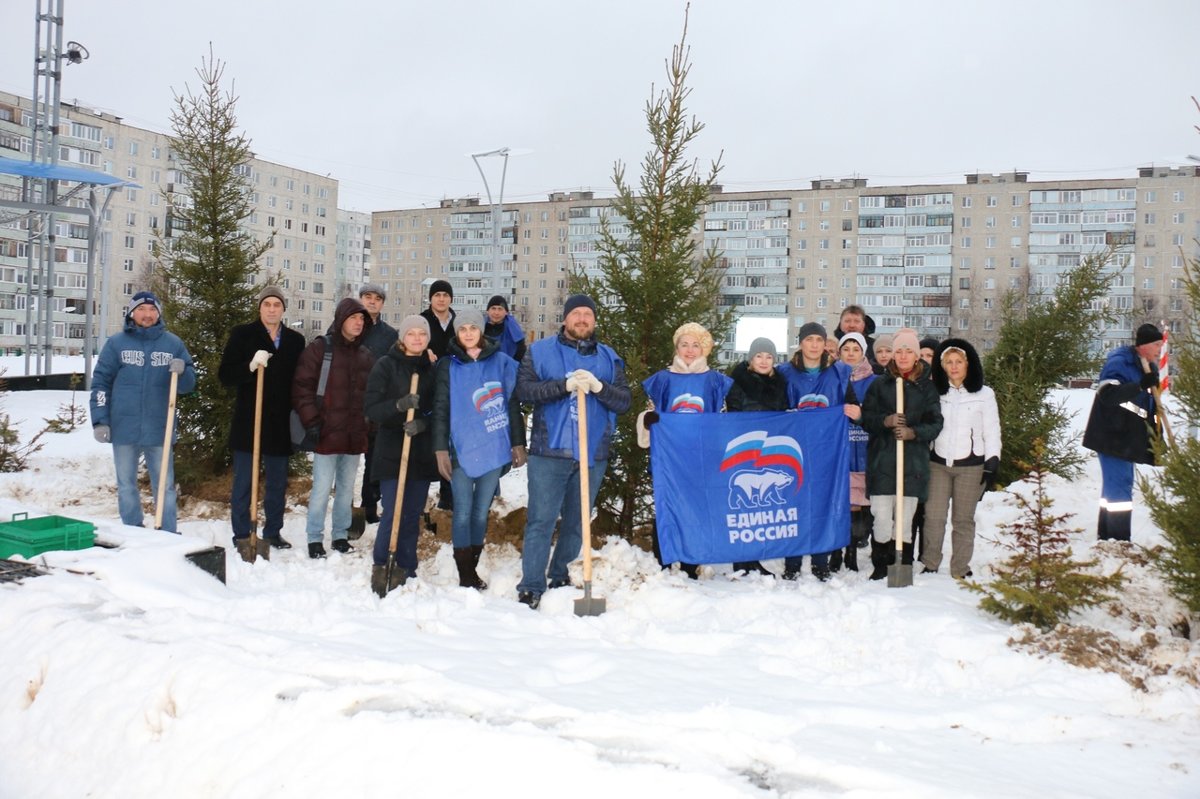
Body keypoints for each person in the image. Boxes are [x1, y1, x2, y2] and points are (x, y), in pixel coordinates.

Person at [514, 294, 631, 609]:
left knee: (578, 522)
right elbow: (523, 391)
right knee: (541, 519)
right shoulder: (538, 352)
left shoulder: (609, 358)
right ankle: (531, 585)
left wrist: (599, 388)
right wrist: (560, 387)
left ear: (594, 320)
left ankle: (559, 574)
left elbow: (624, 401)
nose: (582, 318)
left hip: (593, 452)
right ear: (565, 319)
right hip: (549, 451)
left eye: (587, 314)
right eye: (576, 313)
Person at [431, 307, 527, 590]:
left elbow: (512, 403)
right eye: (463, 329)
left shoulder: (500, 362)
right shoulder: (448, 366)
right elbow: (440, 409)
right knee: (462, 511)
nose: (469, 333)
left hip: (493, 447)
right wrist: (440, 449)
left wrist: (518, 442)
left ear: (481, 331)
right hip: (460, 449)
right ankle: (465, 574)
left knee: (480, 511)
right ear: (458, 334)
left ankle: (470, 567)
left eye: (473, 328)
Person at [90, 291, 196, 533]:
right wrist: (100, 421)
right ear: (132, 312)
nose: (147, 314)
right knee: (126, 484)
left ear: (158, 313)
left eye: (152, 310)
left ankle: (167, 532)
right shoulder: (116, 344)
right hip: (123, 427)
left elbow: (189, 386)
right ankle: (132, 531)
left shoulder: (173, 344)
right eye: (141, 309)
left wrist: (183, 372)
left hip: (160, 427)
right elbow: (100, 384)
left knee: (165, 485)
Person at [217, 285, 306, 562]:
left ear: (283, 309)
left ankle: (273, 531)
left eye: (276, 305)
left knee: (277, 482)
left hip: (279, 422)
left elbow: (299, 380)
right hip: (249, 420)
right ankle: (242, 531)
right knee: (245, 480)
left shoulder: (294, 340)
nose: (271, 309)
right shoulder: (243, 335)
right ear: (259, 308)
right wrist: (250, 367)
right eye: (267, 304)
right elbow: (225, 375)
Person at [638, 322, 733, 579]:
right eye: (684, 344)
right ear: (676, 347)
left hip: (700, 459)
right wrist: (647, 420)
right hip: (670, 458)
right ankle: (664, 560)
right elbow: (650, 410)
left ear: (704, 349)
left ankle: (692, 563)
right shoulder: (663, 380)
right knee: (666, 507)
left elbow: (721, 419)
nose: (689, 350)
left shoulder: (714, 381)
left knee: (697, 509)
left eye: (695, 345)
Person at [292, 297, 374, 559]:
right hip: (326, 432)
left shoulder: (365, 355)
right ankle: (314, 537)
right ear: (341, 320)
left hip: (353, 435)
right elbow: (302, 387)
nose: (359, 323)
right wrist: (312, 422)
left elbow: (371, 394)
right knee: (322, 487)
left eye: (362, 319)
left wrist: (368, 425)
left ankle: (340, 534)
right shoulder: (321, 348)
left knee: (347, 489)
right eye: (354, 318)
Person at [364, 315, 440, 595]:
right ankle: (382, 562)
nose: (417, 338)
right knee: (392, 511)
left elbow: (437, 410)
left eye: (422, 334)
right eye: (412, 334)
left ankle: (407, 564)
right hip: (391, 450)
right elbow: (371, 407)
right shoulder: (386, 365)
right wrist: (398, 405)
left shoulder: (431, 370)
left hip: (419, 451)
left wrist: (423, 423)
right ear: (402, 338)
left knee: (411, 514)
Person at [778, 322, 859, 580]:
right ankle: (792, 562)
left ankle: (820, 562)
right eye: (809, 339)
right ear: (800, 343)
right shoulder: (784, 373)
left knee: (822, 504)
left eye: (818, 340)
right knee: (794, 504)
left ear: (825, 344)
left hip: (827, 451)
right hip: (794, 451)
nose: (814, 345)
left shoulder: (839, 373)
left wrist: (857, 412)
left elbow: (853, 407)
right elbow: (773, 410)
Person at [861, 328, 943, 580]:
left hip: (912, 466)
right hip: (883, 463)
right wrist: (885, 421)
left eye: (909, 351)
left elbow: (936, 423)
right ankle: (880, 565)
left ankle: (901, 567)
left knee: (905, 522)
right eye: (899, 351)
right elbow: (866, 419)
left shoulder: (926, 388)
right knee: (882, 518)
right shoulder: (879, 384)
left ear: (917, 355)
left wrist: (913, 432)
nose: (904, 356)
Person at [922, 339, 1001, 578]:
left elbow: (992, 429)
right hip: (938, 463)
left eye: (958, 362)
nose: (954, 367)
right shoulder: (935, 391)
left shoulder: (984, 394)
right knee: (934, 517)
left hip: (971, 465)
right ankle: (931, 562)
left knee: (963, 520)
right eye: (949, 362)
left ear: (968, 364)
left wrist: (992, 460)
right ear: (943, 366)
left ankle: (960, 567)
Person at [1082, 323, 1163, 542]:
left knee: (1116, 487)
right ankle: (1119, 539)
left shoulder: (1148, 367)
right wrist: (1139, 385)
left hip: (1127, 437)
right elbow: (1108, 394)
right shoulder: (1120, 362)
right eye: (1156, 344)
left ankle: (1107, 535)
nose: (1159, 349)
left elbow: (1150, 407)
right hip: (1111, 434)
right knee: (1120, 489)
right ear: (1144, 345)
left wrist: (1157, 441)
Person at [724, 336, 789, 577]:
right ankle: (741, 560)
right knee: (744, 508)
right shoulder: (737, 382)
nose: (764, 361)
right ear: (751, 359)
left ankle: (757, 558)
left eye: (769, 356)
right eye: (759, 356)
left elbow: (784, 415)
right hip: (744, 450)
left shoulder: (780, 384)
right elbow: (732, 414)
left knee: (762, 509)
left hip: (769, 450)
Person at [356, 282, 399, 526]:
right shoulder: (348, 326)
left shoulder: (390, 335)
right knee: (347, 458)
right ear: (361, 299)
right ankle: (345, 507)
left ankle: (369, 505)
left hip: (377, 404)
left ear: (382, 303)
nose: (372, 302)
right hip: (350, 402)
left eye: (377, 298)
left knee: (375, 457)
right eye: (368, 297)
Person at [839, 332, 878, 571]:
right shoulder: (834, 377)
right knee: (847, 503)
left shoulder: (874, 381)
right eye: (846, 349)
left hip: (866, 449)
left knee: (866, 501)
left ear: (863, 352)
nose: (851, 353)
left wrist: (863, 414)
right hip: (842, 449)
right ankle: (847, 551)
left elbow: (880, 414)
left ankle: (863, 542)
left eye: (856, 348)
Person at [420, 279, 456, 511]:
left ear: (451, 298)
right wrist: (424, 352)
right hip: (427, 387)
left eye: (445, 294)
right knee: (425, 439)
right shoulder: (421, 320)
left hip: (453, 388)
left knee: (449, 440)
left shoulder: (459, 322)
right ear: (431, 298)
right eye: (437, 295)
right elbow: (408, 345)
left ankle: (448, 492)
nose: (441, 298)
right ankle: (420, 492)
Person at [484, 294, 527, 364]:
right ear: (487, 311)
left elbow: (521, 347)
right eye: (493, 308)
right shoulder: (481, 325)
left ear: (506, 312)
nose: (496, 313)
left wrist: (512, 365)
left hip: (506, 366)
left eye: (500, 309)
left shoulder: (511, 325)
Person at [833, 305, 879, 370]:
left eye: (856, 321)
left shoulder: (875, 347)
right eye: (847, 321)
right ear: (840, 324)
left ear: (864, 324)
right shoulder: (832, 345)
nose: (852, 325)